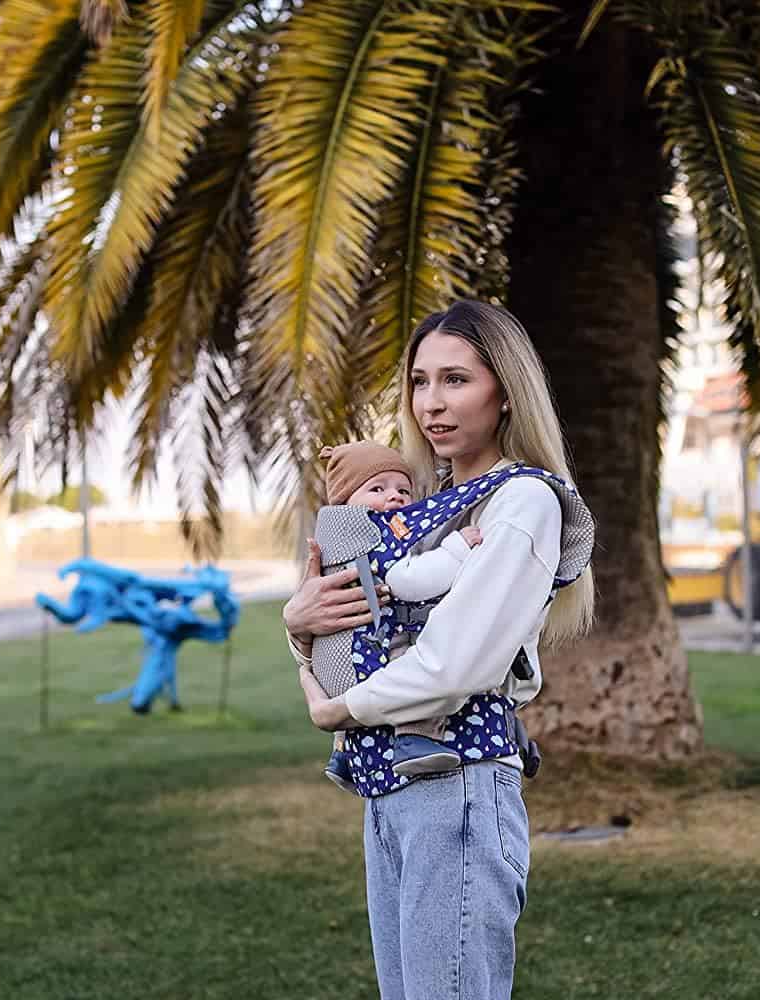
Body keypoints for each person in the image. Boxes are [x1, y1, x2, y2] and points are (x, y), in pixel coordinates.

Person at [284, 300, 595, 999]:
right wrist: (297, 622)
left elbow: (459, 666)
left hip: (455, 784)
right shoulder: (421, 503)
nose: (432, 403)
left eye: (456, 380)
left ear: (506, 391)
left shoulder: (522, 503)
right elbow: (351, 623)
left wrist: (340, 711)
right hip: (389, 787)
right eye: (420, 383)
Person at [310, 441, 486, 790]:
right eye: (377, 488)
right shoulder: (372, 534)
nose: (395, 498)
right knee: (415, 664)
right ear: (345, 499)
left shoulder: (334, 537)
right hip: (366, 654)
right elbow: (410, 581)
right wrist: (457, 548)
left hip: (329, 662)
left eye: (403, 489)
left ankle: (345, 754)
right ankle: (414, 740)